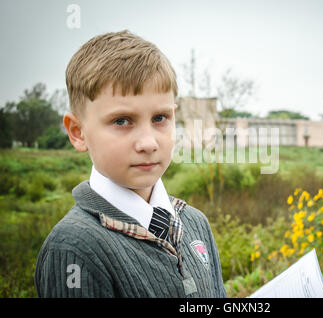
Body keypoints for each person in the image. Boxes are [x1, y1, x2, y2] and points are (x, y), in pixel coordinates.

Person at [34, 30, 226, 298]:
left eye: (160, 118)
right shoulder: (74, 248)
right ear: (78, 132)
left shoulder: (195, 223)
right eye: (122, 121)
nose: (148, 143)